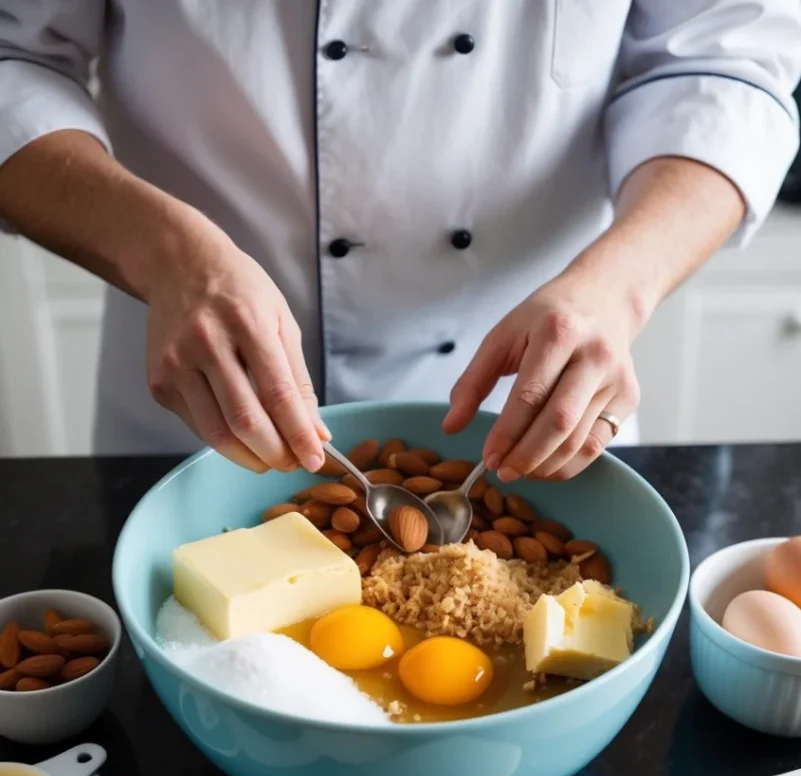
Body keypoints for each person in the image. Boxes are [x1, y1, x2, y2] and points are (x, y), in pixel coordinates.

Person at [0, 3, 798, 483]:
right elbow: (15, 57)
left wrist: (619, 285)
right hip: (201, 394)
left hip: (530, 398)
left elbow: (723, 65)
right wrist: (162, 254)